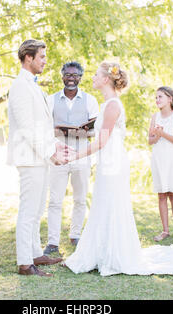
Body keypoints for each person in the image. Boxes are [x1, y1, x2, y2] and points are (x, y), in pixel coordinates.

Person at [64, 62, 173, 276]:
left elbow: (102, 140)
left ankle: (114, 254)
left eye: (96, 74)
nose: (93, 77)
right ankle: (101, 252)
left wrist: (75, 155)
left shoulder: (113, 105)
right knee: (104, 203)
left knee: (111, 203)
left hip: (113, 162)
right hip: (108, 161)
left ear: (106, 79)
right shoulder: (107, 104)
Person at [7, 39, 72, 277]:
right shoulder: (20, 86)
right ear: (28, 58)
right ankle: (25, 263)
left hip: (40, 157)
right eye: (42, 57)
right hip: (29, 157)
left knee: (36, 210)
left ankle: (35, 253)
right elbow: (26, 128)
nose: (45, 61)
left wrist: (55, 146)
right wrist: (49, 152)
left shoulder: (33, 85)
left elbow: (42, 127)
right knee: (28, 211)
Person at [43, 61, 99, 255]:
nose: (71, 78)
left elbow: (95, 131)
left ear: (80, 78)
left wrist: (77, 132)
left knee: (80, 199)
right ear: (62, 76)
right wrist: (57, 130)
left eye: (75, 75)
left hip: (82, 156)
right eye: (68, 74)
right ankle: (52, 242)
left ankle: (76, 235)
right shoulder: (50, 100)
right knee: (55, 200)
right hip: (57, 156)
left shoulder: (90, 100)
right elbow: (43, 129)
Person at [149, 87, 173, 242]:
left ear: (170, 99)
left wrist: (162, 133)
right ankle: (165, 230)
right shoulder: (155, 117)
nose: (157, 100)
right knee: (161, 195)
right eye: (156, 97)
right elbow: (150, 140)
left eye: (160, 97)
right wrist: (157, 136)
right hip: (159, 158)